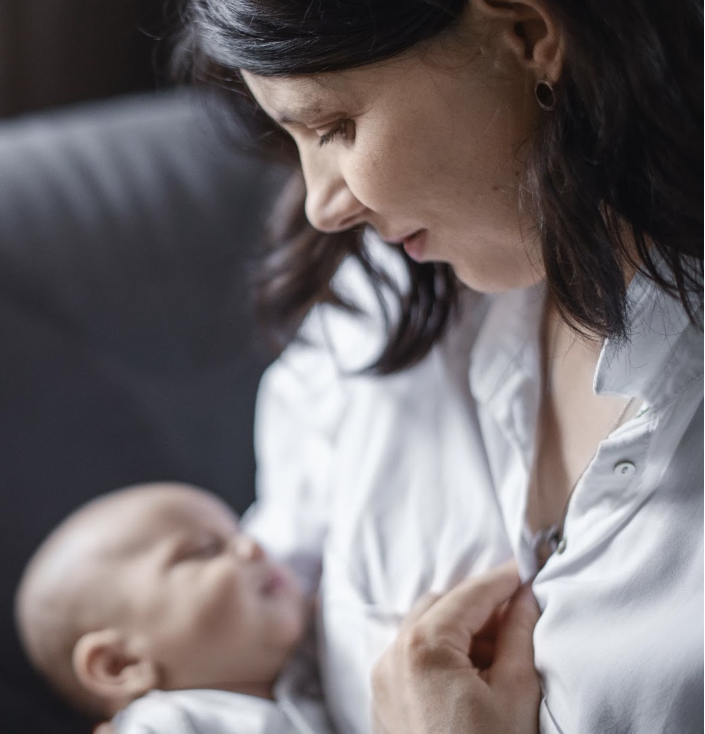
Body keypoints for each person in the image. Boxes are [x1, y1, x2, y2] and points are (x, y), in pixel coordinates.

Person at [171, 0, 703, 732]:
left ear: (528, 35)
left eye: (335, 127)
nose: (323, 207)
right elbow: (266, 632)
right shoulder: (384, 304)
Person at [14, 482, 335, 733]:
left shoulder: (309, 664)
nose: (252, 547)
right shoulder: (168, 722)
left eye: (240, 533)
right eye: (206, 549)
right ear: (120, 663)